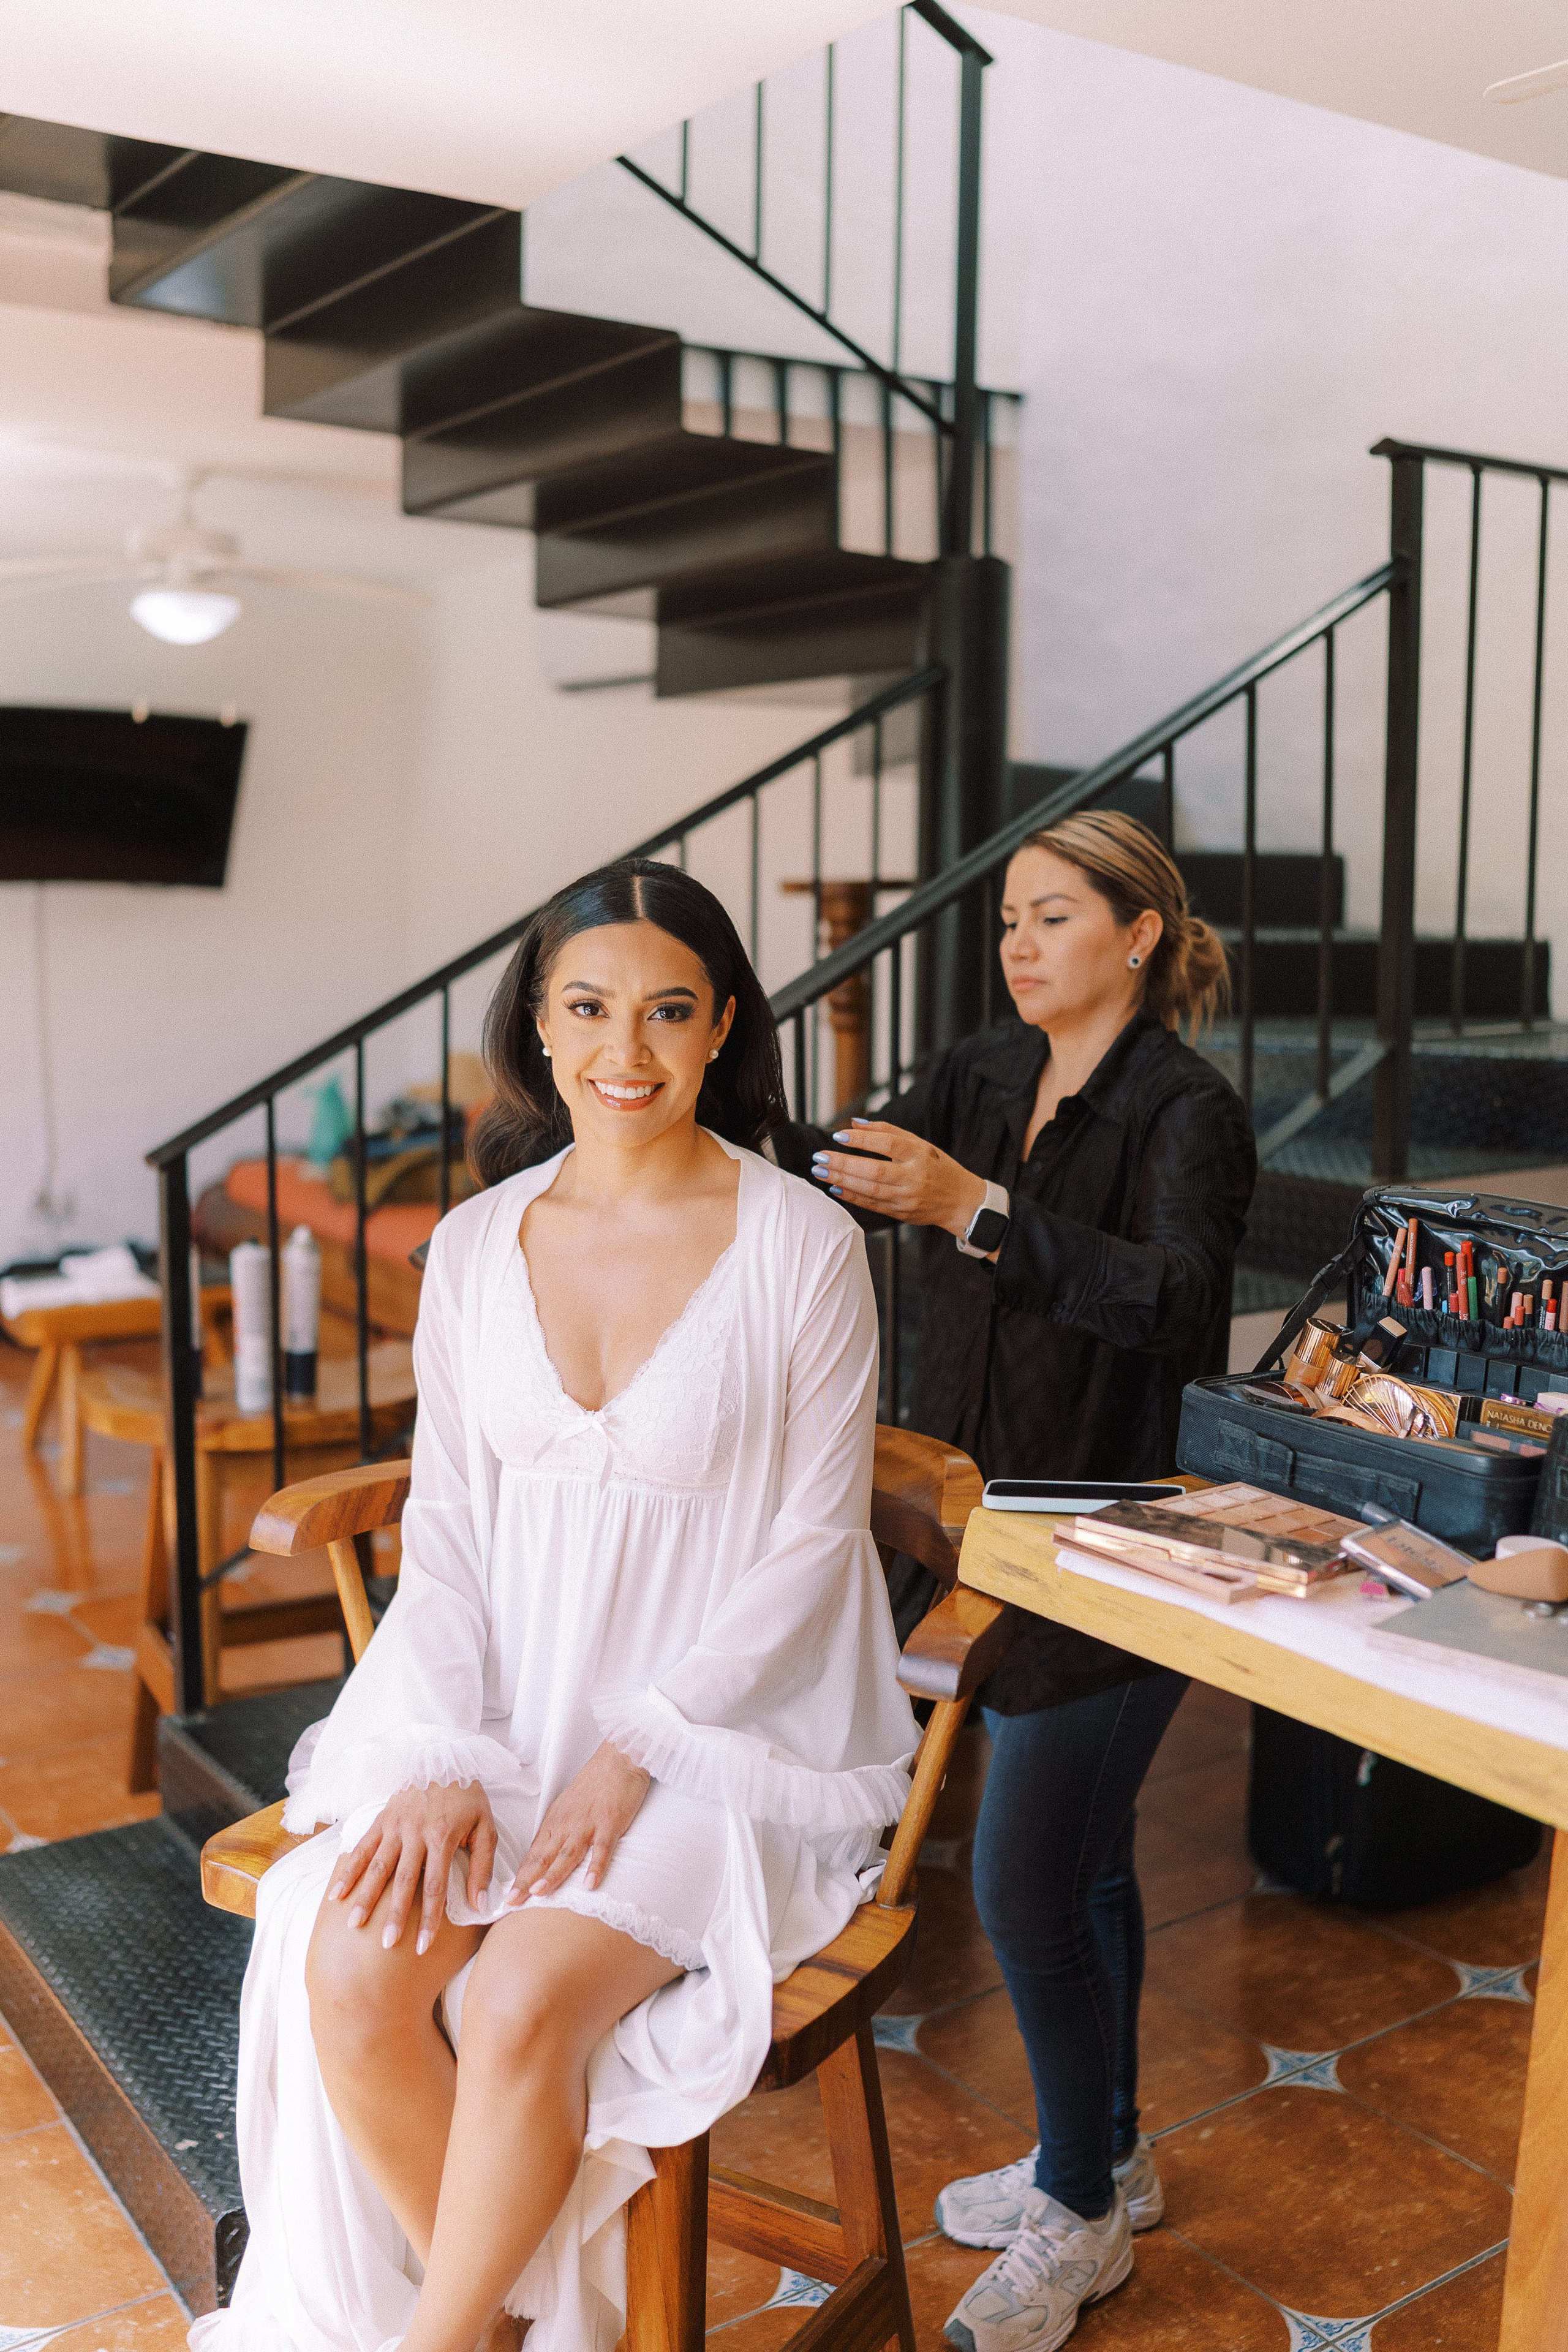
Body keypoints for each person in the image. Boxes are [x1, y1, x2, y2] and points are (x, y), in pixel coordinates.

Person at [192, 858, 917, 2352]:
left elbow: (810, 1540)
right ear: (536, 1024)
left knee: (520, 1999)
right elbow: (447, 1534)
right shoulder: (471, 1247)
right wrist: (450, 1752)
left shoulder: (800, 1244)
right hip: (508, 1709)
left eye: (665, 1011)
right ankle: (501, 2324)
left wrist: (640, 1742)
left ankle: (445, 2341)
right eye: (586, 1008)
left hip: (728, 1735)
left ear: (722, 1025)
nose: (624, 1051)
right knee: (350, 1965)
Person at [800, 812, 1256, 2352]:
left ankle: (1074, 2216)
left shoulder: (1186, 1109)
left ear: (1136, 936)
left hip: (1118, 1537)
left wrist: (976, 1212)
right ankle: (1109, 2157)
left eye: (1051, 916)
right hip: (978, 1526)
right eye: (1005, 918)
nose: (1014, 942)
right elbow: (864, 1173)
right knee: (1088, 1863)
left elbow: (1180, 1308)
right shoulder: (981, 1079)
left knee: (1018, 1876)